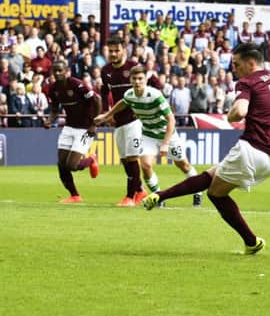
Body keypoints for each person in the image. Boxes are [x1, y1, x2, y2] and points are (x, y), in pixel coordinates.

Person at [141, 43, 270, 255]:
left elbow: (239, 112)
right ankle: (160, 196)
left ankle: (251, 241)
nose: (234, 68)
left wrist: (230, 113)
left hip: (252, 147)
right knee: (212, 174)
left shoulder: (247, 82)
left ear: (251, 63)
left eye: (237, 64)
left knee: (216, 194)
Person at [95, 65, 199, 206]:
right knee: (145, 165)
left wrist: (166, 143)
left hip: (167, 135)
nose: (137, 82)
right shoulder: (129, 94)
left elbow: (171, 119)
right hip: (149, 135)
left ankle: (198, 191)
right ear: (130, 80)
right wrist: (107, 116)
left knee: (183, 165)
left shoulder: (155, 95)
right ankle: (158, 198)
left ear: (145, 80)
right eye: (134, 79)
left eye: (140, 79)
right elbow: (123, 103)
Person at [99, 38, 164, 206]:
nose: (113, 54)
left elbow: (156, 85)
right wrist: (107, 112)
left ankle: (130, 196)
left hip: (136, 121)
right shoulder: (105, 71)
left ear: (123, 51)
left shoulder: (133, 67)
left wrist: (147, 105)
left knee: (133, 157)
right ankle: (141, 191)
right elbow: (104, 91)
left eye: (116, 50)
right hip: (119, 121)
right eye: (110, 51)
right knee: (125, 159)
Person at [44, 60, 101, 203]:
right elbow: (55, 110)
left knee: (72, 165)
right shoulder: (53, 89)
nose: (57, 73)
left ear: (66, 71)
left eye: (60, 70)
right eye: (55, 71)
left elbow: (97, 100)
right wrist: (50, 121)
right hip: (69, 127)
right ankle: (75, 196)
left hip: (84, 129)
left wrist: (94, 124)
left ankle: (91, 160)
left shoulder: (76, 84)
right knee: (61, 165)